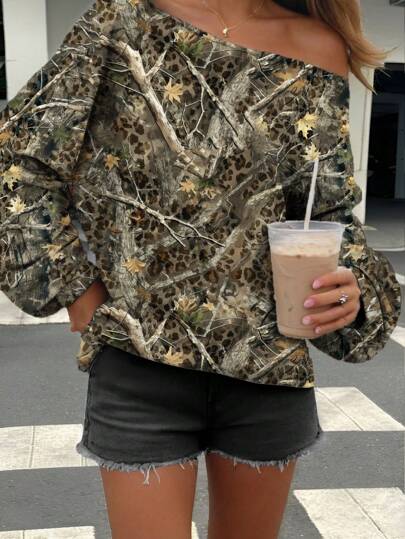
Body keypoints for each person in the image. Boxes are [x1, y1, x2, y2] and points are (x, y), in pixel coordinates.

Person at [0, 0, 402, 537]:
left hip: (266, 364)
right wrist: (77, 293)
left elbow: (326, 213)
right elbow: (17, 161)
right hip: (140, 365)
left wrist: (349, 289)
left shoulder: (318, 47)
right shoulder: (120, 21)